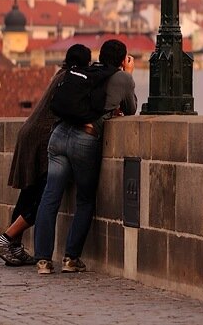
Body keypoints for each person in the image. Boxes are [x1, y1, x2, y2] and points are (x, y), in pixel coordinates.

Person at [32, 39, 137, 275]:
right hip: (85, 138)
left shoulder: (87, 71)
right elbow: (130, 109)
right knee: (85, 199)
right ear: (123, 59)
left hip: (59, 134)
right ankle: (70, 258)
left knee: (50, 197)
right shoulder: (120, 77)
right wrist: (128, 74)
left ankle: (42, 260)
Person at [0, 44, 92, 266]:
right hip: (43, 140)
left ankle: (12, 246)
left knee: (29, 194)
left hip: (29, 135)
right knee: (42, 199)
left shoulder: (60, 75)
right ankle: (5, 240)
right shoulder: (72, 80)